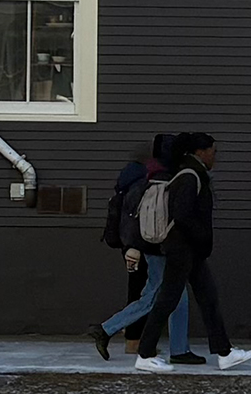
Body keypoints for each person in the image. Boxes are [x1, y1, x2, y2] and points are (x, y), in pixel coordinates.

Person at [135, 133, 251, 373]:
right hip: (183, 249)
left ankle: (225, 353)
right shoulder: (190, 177)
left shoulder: (189, 174)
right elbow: (182, 214)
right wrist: (200, 236)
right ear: (200, 152)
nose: (214, 156)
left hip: (191, 250)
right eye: (213, 151)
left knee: (208, 299)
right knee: (167, 300)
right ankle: (145, 355)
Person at [88, 135, 204, 365]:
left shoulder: (144, 175)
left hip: (151, 246)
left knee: (175, 297)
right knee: (155, 297)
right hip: (161, 247)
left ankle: (180, 349)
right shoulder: (165, 177)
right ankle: (107, 328)